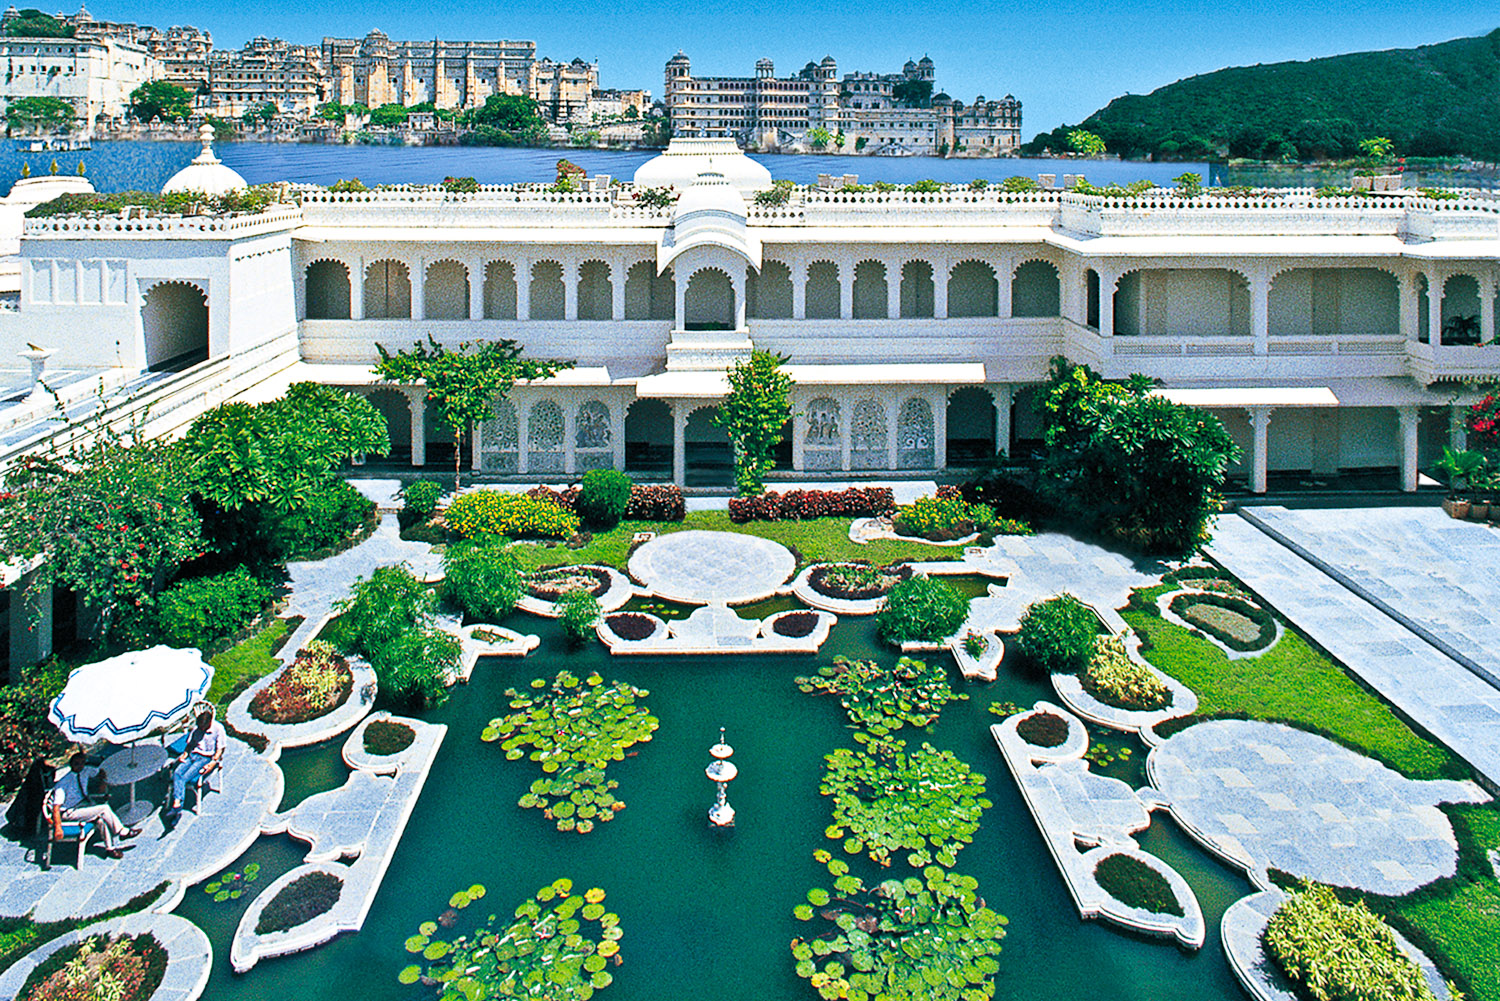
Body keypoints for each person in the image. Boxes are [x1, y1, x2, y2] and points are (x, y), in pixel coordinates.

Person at [49, 752, 138, 859]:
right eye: (77, 764)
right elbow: (56, 808)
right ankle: (122, 831)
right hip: (69, 812)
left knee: (101, 819)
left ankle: (110, 849)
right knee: (104, 809)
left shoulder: (85, 771)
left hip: (84, 805)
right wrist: (58, 827)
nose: (80, 766)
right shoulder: (63, 783)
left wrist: (102, 783)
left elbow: (101, 772)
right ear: (71, 765)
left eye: (82, 763)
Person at [163, 706, 225, 825]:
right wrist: (185, 754)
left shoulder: (218, 729)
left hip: (205, 758)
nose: (201, 729)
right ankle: (177, 804)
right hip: (193, 754)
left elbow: (220, 749)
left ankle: (177, 807)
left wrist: (212, 763)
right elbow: (190, 744)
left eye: (203, 728)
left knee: (184, 777)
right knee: (177, 773)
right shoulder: (197, 730)